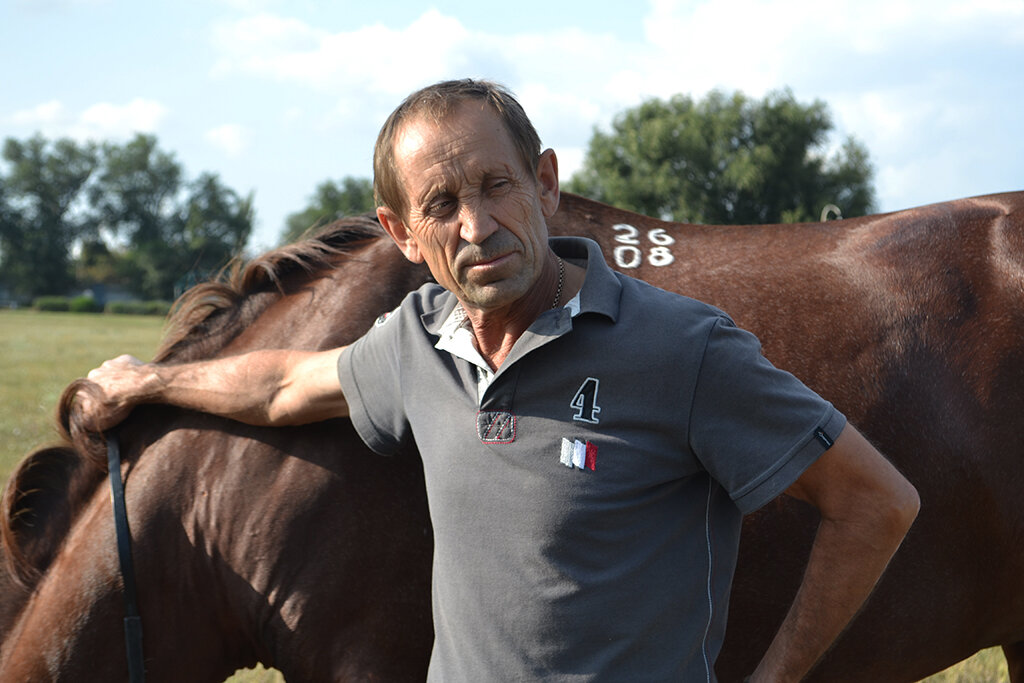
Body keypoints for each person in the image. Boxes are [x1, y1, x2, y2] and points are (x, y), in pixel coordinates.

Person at [80, 79, 919, 682]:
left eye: (496, 185)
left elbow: (878, 502)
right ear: (402, 234)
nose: (478, 227)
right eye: (440, 204)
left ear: (544, 184)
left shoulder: (681, 347)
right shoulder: (418, 342)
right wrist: (149, 384)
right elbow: (283, 388)